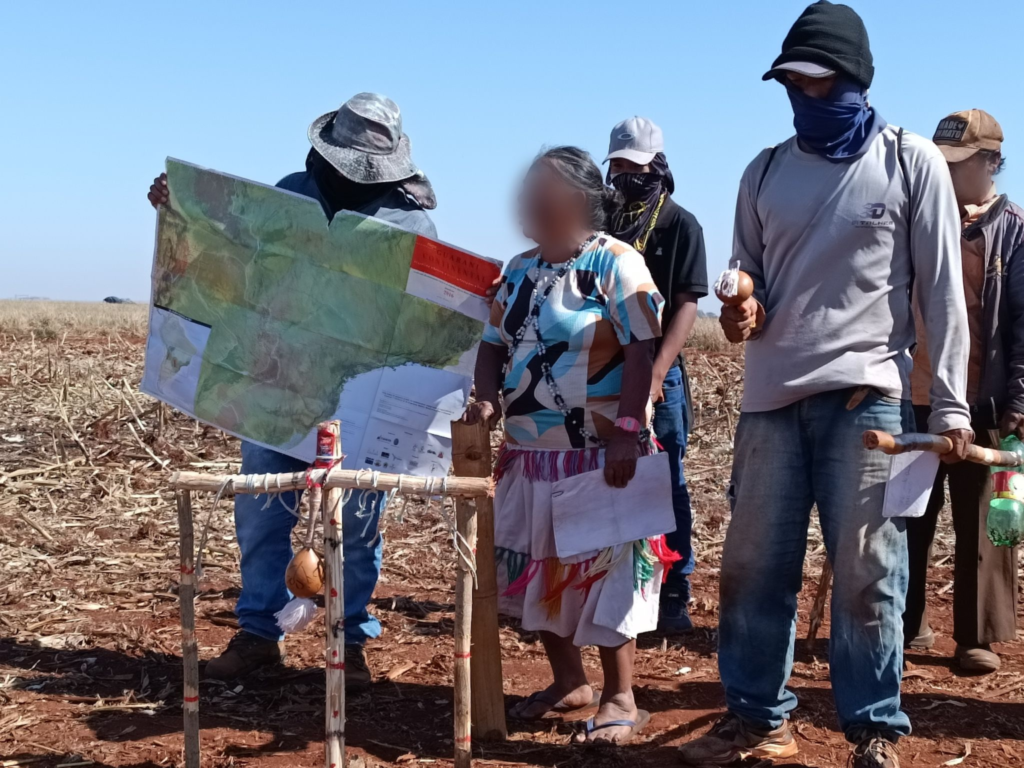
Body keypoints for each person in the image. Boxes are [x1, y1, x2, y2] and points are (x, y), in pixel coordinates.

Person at [677, 3, 972, 768]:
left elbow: (941, 293)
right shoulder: (764, 171)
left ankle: (874, 728)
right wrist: (739, 303)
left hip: (866, 401)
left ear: (856, 81)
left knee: (871, 575)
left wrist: (950, 404)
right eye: (792, 84)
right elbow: (745, 302)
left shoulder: (910, 163)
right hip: (769, 404)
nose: (806, 98)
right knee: (751, 570)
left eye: (820, 83)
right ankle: (755, 719)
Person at [147, 92, 437, 687]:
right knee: (260, 508)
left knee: (356, 520)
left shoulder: (410, 224)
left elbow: (428, 324)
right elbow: (234, 261)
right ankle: (258, 633)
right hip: (276, 383)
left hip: (361, 395)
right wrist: (184, 210)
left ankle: (350, 639)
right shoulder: (287, 195)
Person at [464, 146, 675, 745]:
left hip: (602, 453)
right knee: (537, 569)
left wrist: (629, 431)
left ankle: (619, 696)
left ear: (579, 202)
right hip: (530, 455)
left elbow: (642, 348)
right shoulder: (519, 268)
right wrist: (487, 400)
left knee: (607, 574)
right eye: (526, 194)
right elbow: (490, 345)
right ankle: (569, 681)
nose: (527, 204)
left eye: (541, 194)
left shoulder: (616, 263)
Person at [904, 110, 1022, 674]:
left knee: (989, 524)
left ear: (991, 163)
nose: (947, 174)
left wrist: (1020, 400)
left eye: (960, 164)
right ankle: (907, 624)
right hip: (918, 394)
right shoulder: (921, 222)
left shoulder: (1014, 230)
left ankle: (976, 637)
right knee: (907, 519)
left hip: (990, 402)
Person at [604, 117, 708, 632]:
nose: (624, 176)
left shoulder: (679, 225)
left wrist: (656, 373)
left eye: (634, 167)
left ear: (657, 168)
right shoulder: (602, 220)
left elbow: (686, 304)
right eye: (616, 166)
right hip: (604, 375)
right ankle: (614, 587)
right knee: (604, 478)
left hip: (658, 380)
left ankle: (673, 595)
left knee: (666, 484)